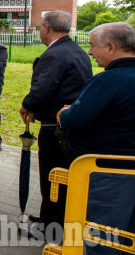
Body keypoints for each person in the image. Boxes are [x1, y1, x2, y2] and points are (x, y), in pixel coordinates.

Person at [57, 22, 135, 254]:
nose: (89, 52)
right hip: (127, 170)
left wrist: (65, 113)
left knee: (98, 235)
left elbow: (76, 120)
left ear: (111, 47)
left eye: (92, 46)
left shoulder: (107, 80)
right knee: (125, 235)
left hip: (105, 175)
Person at [20, 10, 92, 230]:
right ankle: (49, 217)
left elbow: (43, 89)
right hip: (68, 124)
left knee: (52, 176)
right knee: (58, 176)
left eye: (40, 26)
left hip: (56, 127)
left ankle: (52, 226)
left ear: (46, 28)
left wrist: (27, 104)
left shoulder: (55, 54)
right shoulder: (75, 50)